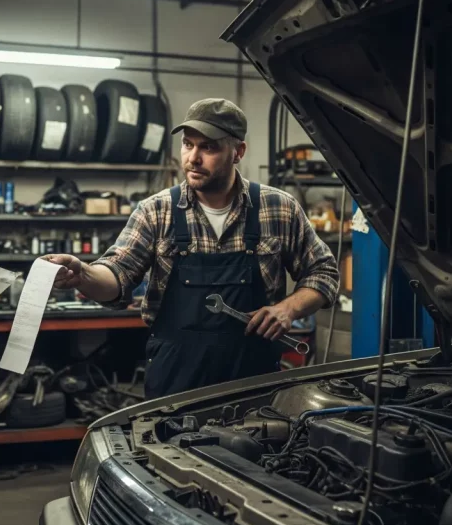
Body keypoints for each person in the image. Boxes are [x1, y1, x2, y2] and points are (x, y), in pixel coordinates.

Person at [46, 98, 340, 399]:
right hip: (174, 384)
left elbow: (324, 272)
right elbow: (118, 274)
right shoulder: (156, 211)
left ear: (238, 152)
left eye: (208, 147)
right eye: (188, 145)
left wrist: (288, 309)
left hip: (254, 385)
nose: (193, 158)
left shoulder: (279, 209)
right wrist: (84, 274)